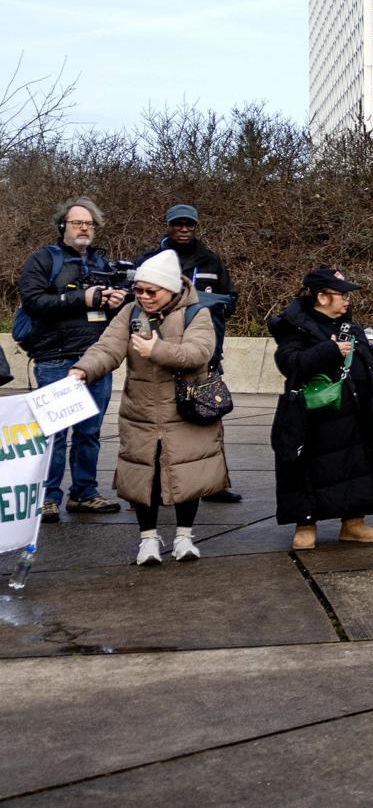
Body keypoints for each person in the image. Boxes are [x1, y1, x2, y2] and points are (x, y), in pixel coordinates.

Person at [69, 249, 224, 565]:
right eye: (138, 290)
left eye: (150, 291)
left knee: (188, 474)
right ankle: (148, 540)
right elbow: (107, 349)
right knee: (143, 478)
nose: (143, 296)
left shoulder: (197, 313)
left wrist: (158, 349)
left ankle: (184, 537)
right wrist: (84, 369)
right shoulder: (130, 313)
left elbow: (199, 353)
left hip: (187, 411)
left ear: (169, 288)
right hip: (141, 412)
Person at [269, 268, 373, 549]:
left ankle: (353, 523)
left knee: (355, 466)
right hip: (315, 418)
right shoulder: (295, 326)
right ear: (322, 297)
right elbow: (289, 363)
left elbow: (366, 358)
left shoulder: (349, 326)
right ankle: (306, 524)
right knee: (309, 469)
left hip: (355, 413)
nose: (347, 300)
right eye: (341, 294)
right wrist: (329, 352)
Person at [17, 196, 127, 519]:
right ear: (62, 225)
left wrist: (115, 301)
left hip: (95, 359)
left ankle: (84, 492)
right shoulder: (42, 260)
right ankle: (47, 497)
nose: (84, 228)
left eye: (89, 223)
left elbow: (112, 313)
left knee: (89, 432)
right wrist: (83, 297)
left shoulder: (101, 264)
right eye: (77, 222)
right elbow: (34, 301)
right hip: (55, 358)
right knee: (54, 434)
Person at [144, 204, 243, 503]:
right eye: (178, 224)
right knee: (159, 424)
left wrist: (212, 306)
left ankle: (212, 484)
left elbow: (231, 299)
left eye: (189, 224)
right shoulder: (152, 260)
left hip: (205, 353)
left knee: (209, 417)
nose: (184, 229)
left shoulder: (211, 260)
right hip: (161, 353)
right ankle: (151, 488)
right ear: (168, 226)